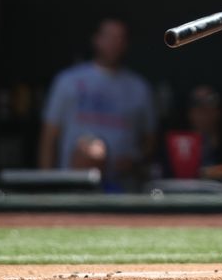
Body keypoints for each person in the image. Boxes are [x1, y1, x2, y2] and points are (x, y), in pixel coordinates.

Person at [38, 18, 157, 192]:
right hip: (73, 185)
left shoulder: (139, 87)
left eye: (120, 38)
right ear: (96, 39)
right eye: (109, 37)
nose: (114, 44)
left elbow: (150, 140)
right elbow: (49, 137)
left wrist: (135, 160)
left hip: (122, 187)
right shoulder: (68, 81)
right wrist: (45, 186)